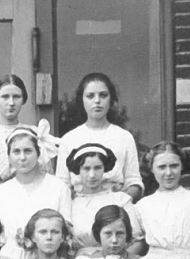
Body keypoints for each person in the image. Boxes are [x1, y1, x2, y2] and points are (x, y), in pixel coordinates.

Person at [56, 73, 143, 201]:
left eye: (103, 95)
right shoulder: (69, 140)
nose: (97, 101)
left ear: (111, 98)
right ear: (82, 100)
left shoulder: (124, 137)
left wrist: (122, 200)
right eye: (90, 96)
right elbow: (62, 184)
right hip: (79, 205)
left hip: (115, 205)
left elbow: (134, 182)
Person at [0, 123, 69, 259]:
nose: (22, 157)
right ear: (9, 156)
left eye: (28, 151)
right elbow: (0, 236)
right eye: (16, 152)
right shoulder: (1, 191)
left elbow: (65, 232)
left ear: (38, 153)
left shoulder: (58, 187)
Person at [67, 143, 143, 257]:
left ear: (104, 168)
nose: (92, 175)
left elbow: (138, 242)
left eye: (97, 168)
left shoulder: (120, 200)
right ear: (79, 170)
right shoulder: (70, 204)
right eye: (86, 168)